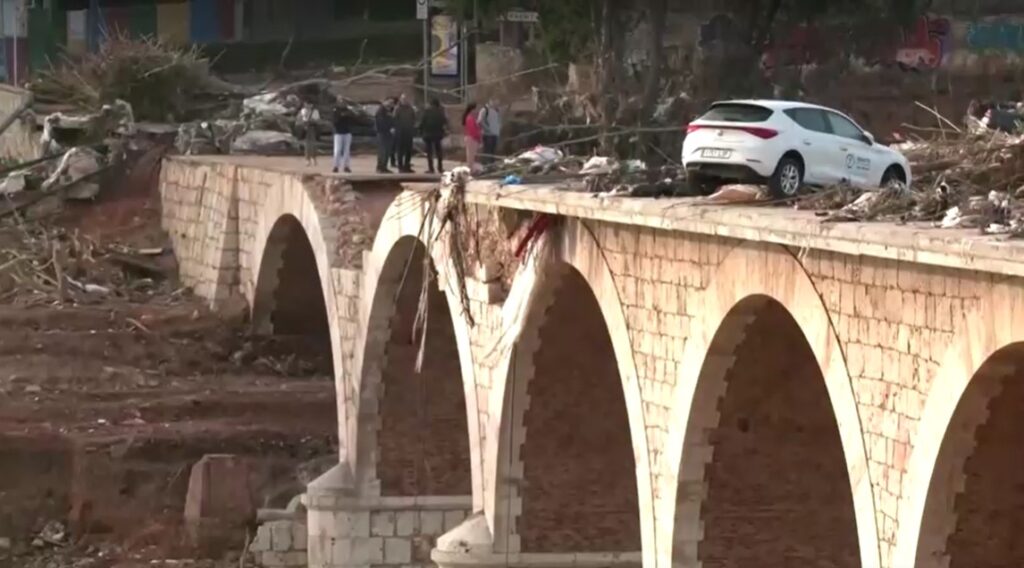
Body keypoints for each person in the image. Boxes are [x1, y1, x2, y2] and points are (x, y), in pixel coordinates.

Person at [419, 98, 448, 174]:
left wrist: (420, 131)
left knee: (429, 152)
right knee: (439, 151)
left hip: (428, 134)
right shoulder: (440, 112)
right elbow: (445, 122)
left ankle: (431, 168)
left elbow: (422, 122)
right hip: (438, 134)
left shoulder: (427, 112)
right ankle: (440, 167)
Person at [394, 93, 417, 173]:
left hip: (409, 132)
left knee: (408, 150)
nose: (405, 100)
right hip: (400, 132)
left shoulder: (410, 109)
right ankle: (400, 167)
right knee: (400, 150)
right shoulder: (397, 109)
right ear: (400, 100)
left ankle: (407, 166)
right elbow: (395, 120)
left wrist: (412, 126)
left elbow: (414, 118)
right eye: (403, 99)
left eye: (406, 99)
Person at [331, 103, 355, 173]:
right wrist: (341, 115)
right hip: (338, 132)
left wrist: (349, 114)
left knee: (347, 150)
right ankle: (336, 166)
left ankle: (346, 166)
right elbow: (334, 121)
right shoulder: (335, 111)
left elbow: (353, 119)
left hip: (347, 132)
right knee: (337, 150)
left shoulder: (349, 111)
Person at [375, 98, 396, 174]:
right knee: (382, 151)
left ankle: (384, 167)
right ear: (385, 102)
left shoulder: (389, 110)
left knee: (387, 151)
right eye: (390, 102)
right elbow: (380, 122)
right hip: (382, 133)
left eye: (392, 103)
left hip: (388, 134)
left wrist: (393, 127)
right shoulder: (381, 111)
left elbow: (392, 120)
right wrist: (388, 128)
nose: (391, 104)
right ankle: (380, 167)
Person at [477, 98, 501, 164]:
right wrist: (488, 129)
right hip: (487, 135)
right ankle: (485, 165)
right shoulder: (485, 110)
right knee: (487, 151)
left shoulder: (497, 110)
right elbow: (480, 121)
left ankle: (491, 165)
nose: (496, 102)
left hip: (495, 135)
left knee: (493, 151)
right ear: (490, 101)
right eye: (495, 101)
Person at [297, 102, 320, 166]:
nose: (307, 105)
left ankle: (314, 158)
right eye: (306, 104)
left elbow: (317, 120)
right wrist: (303, 122)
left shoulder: (315, 111)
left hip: (312, 128)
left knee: (313, 144)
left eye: (309, 104)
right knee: (307, 145)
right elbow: (299, 120)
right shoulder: (302, 111)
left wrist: (312, 121)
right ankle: (307, 159)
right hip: (305, 128)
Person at [463, 102, 482, 173]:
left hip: (472, 138)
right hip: (472, 138)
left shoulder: (471, 118)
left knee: (472, 155)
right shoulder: (470, 118)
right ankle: (470, 170)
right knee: (471, 156)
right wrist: (478, 138)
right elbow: (472, 130)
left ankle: (471, 169)